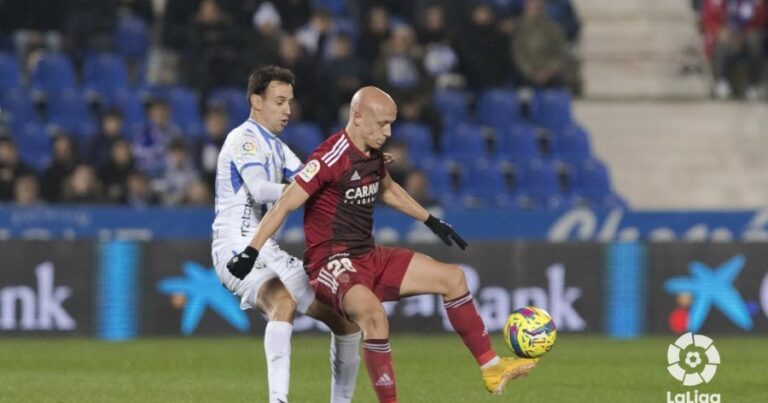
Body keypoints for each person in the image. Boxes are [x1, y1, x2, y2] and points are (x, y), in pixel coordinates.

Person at [227, 86, 538, 403]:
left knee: (454, 278)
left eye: (391, 124)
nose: (388, 132)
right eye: (382, 124)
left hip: (368, 255)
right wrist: (251, 251)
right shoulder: (329, 158)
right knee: (374, 318)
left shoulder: (372, 155)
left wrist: (430, 220)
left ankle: (492, 367)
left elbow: (387, 189)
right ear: (358, 117)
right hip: (331, 263)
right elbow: (284, 205)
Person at [211, 65, 362, 403]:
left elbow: (314, 179)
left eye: (290, 102)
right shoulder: (243, 139)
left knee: (346, 323)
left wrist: (360, 172)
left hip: (269, 248)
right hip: (238, 247)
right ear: (256, 101)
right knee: (283, 302)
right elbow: (261, 188)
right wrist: (296, 191)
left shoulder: (278, 148)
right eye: (279, 101)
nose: (287, 110)